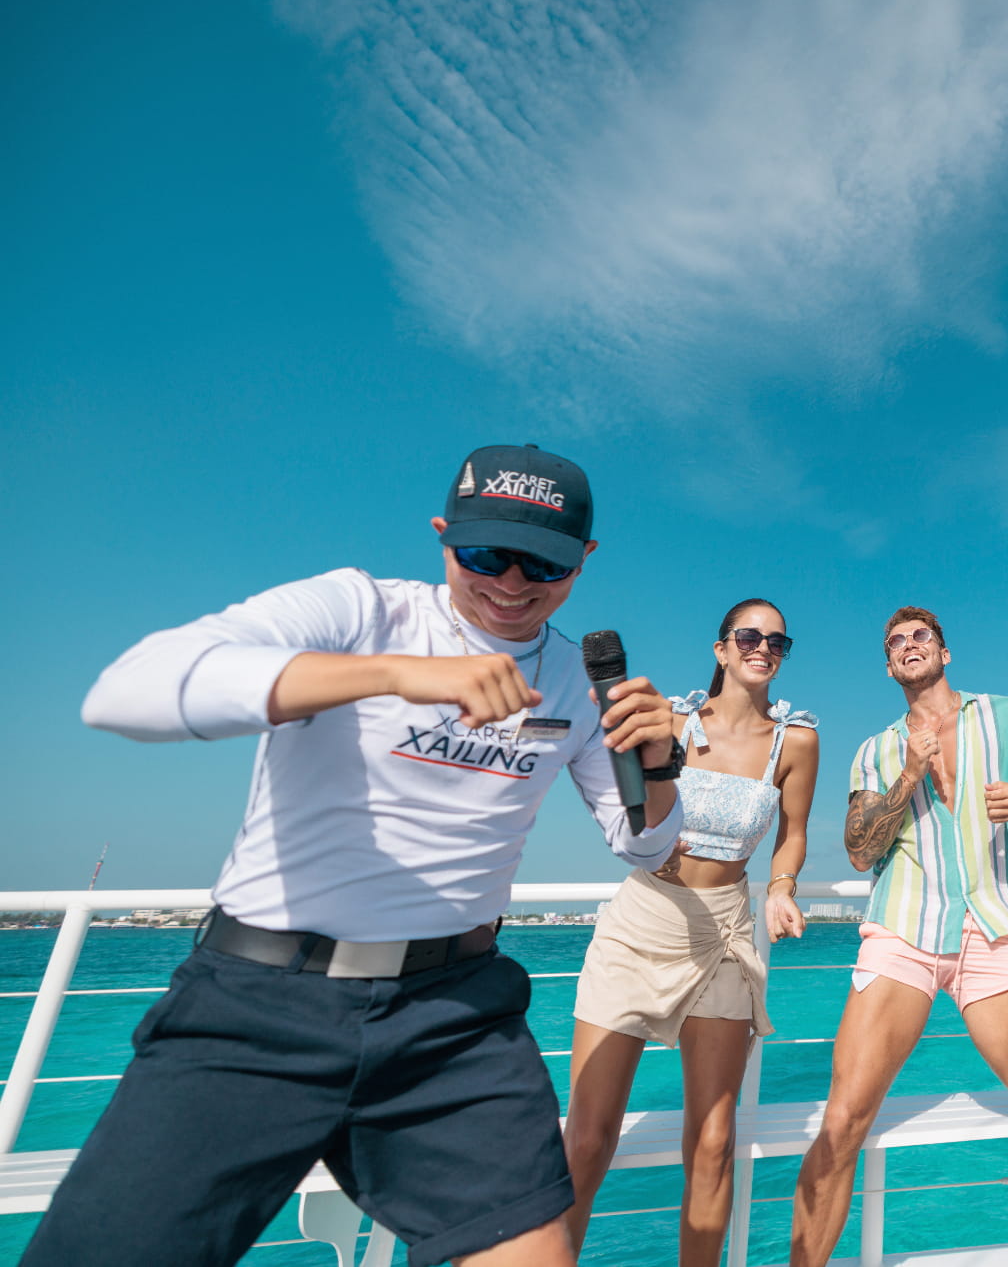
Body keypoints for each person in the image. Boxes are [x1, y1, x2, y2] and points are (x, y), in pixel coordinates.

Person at [31, 445, 685, 1267]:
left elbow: (645, 844)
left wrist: (658, 765)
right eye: (487, 555)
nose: (514, 583)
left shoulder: (578, 682)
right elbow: (126, 691)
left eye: (546, 564)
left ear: (583, 560)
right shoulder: (363, 611)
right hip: (259, 1002)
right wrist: (390, 675)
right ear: (444, 535)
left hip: (453, 1014)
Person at [787, 607, 1008, 1267]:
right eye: (896, 642)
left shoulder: (1006, 715)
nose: (909, 645)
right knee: (843, 1121)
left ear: (944, 653)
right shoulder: (875, 750)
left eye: (921, 636)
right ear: (889, 667)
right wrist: (910, 774)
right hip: (904, 932)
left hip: (994, 929)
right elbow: (860, 852)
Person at [563, 598, 819, 1261]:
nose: (763, 648)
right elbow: (633, 813)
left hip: (723, 933)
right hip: (642, 924)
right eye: (749, 636)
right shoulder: (672, 723)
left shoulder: (796, 741)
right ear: (721, 648)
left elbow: (793, 834)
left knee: (713, 1141)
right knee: (587, 1139)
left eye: (777, 641)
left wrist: (782, 887)